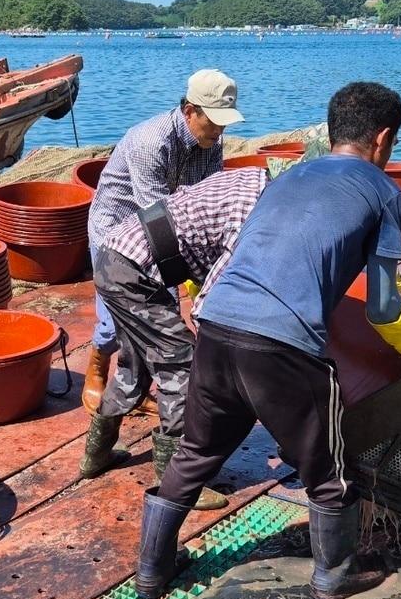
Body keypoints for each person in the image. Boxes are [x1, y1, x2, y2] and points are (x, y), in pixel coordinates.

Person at [133, 81, 401, 599]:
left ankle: (151, 571)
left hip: (216, 327)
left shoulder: (289, 175)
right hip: (282, 347)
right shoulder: (386, 193)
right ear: (384, 139)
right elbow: (385, 308)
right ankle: (334, 575)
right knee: (327, 469)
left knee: (196, 453)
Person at [80, 166, 270, 511]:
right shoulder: (254, 215)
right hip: (135, 269)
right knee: (180, 363)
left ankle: (95, 455)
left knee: (134, 365)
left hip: (116, 259)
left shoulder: (252, 177)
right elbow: (210, 302)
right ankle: (174, 483)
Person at [82, 68, 242, 414]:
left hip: (170, 223)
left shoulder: (212, 143)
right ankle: (97, 365)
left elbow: (207, 198)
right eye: (213, 122)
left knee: (163, 312)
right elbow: (154, 218)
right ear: (189, 111)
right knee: (122, 315)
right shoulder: (150, 142)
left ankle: (142, 385)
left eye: (224, 123)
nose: (219, 131)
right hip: (119, 228)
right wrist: (175, 288)